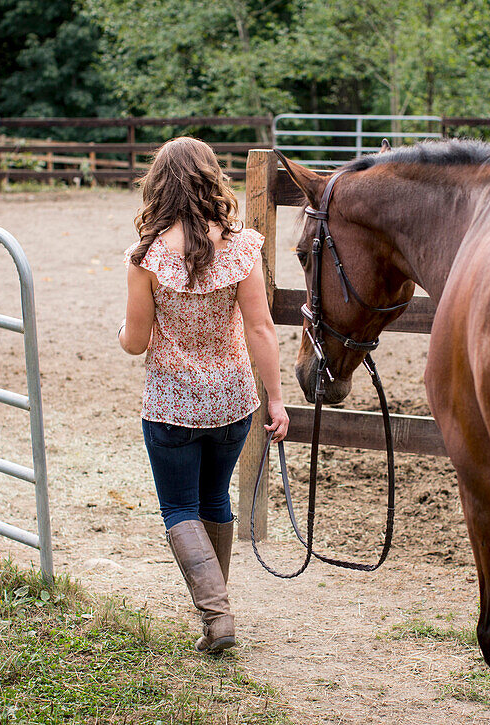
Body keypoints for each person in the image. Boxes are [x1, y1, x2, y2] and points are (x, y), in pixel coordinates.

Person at [119, 136, 288, 653]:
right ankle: (220, 611)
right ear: (211, 178)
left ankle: (217, 617)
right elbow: (261, 328)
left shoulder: (146, 257)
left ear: (158, 187)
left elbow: (136, 341)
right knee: (215, 499)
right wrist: (277, 399)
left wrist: (120, 334)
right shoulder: (241, 248)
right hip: (233, 398)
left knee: (179, 508)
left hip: (171, 404)